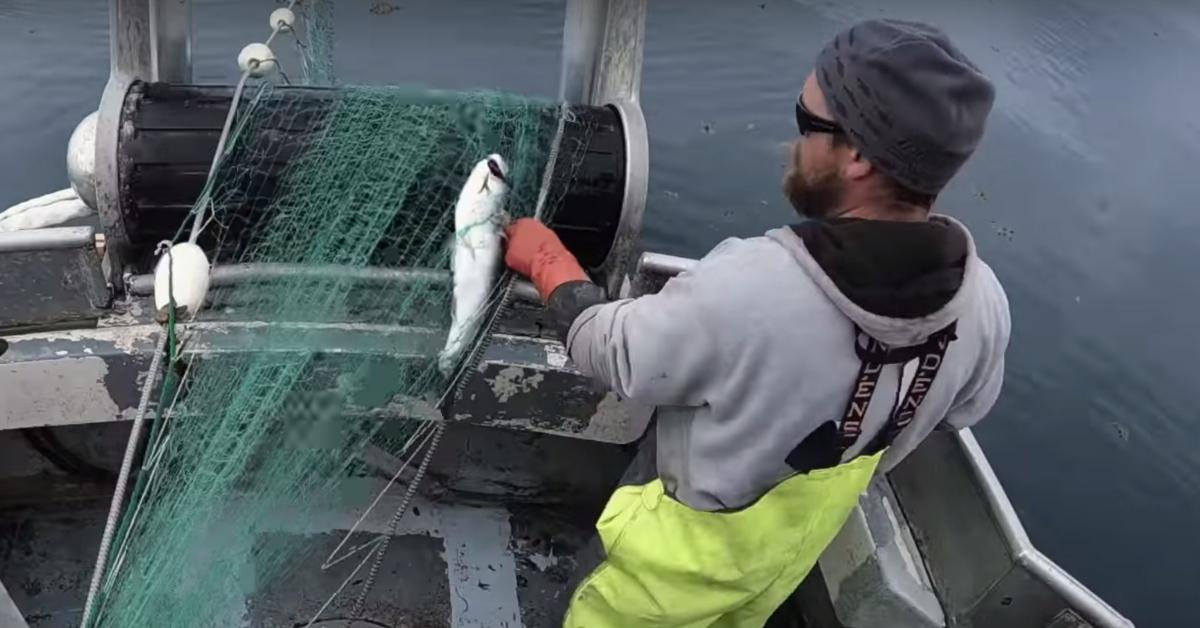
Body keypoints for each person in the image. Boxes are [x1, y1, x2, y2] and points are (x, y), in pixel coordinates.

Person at [505, 18, 1010, 628]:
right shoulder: (983, 303)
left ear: (856, 158)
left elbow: (614, 352)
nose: (793, 142)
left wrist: (546, 259)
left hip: (657, 584)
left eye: (807, 121)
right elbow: (959, 413)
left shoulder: (748, 288)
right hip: (778, 568)